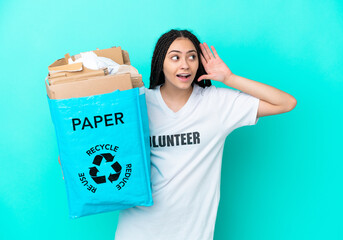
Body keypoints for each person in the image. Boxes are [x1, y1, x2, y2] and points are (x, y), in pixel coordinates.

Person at [114, 29, 297, 240]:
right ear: (160, 63)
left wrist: (229, 78)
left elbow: (286, 102)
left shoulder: (217, 104)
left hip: (192, 233)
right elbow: (91, 135)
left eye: (191, 57)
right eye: (175, 57)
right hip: (137, 230)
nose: (185, 64)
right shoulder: (139, 102)